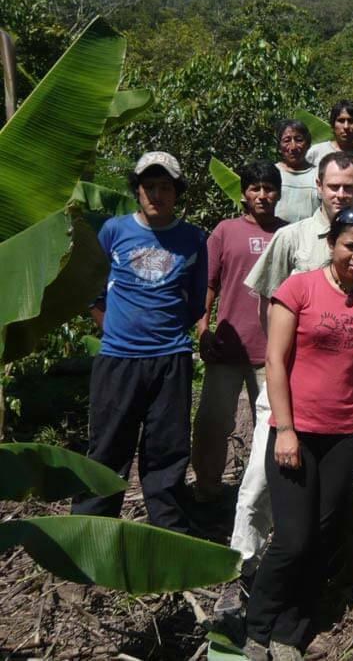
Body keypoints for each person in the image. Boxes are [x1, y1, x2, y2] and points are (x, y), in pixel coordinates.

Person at [242, 207, 353, 661]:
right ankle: (257, 625)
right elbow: (275, 362)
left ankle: (292, 630)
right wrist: (285, 429)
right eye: (350, 244)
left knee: (324, 536)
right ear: (331, 243)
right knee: (293, 537)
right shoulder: (298, 288)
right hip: (297, 433)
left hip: (346, 436)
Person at [215, 151, 353, 618]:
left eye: (349, 188)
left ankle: (316, 582)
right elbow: (267, 304)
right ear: (318, 187)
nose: (341, 194)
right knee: (260, 476)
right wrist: (273, 360)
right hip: (281, 377)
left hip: (338, 388)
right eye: (333, 186)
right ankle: (241, 568)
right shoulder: (292, 237)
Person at [72, 152, 207, 533]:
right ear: (137, 190)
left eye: (166, 187)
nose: (157, 194)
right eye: (149, 186)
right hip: (118, 360)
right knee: (107, 448)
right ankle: (90, 535)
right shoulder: (113, 231)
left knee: (167, 451)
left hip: (171, 360)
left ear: (177, 193)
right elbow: (91, 290)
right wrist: (113, 328)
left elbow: (195, 301)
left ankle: (168, 535)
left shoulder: (193, 238)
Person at [192, 161, 287, 503]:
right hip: (227, 348)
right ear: (244, 193)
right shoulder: (225, 231)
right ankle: (207, 491)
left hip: (274, 352)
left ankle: (269, 495)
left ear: (279, 192)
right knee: (212, 424)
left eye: (269, 188)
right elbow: (208, 284)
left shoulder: (288, 233)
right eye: (255, 188)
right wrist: (204, 329)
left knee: (275, 427)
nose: (262, 195)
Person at [275, 119, 320, 223]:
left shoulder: (319, 175)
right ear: (279, 146)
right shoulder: (273, 173)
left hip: (308, 236)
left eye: (299, 140)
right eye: (287, 140)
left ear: (308, 144)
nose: (293, 147)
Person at [305, 99, 353, 164]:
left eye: (351, 121)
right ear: (332, 124)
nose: (346, 126)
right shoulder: (315, 153)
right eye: (341, 121)